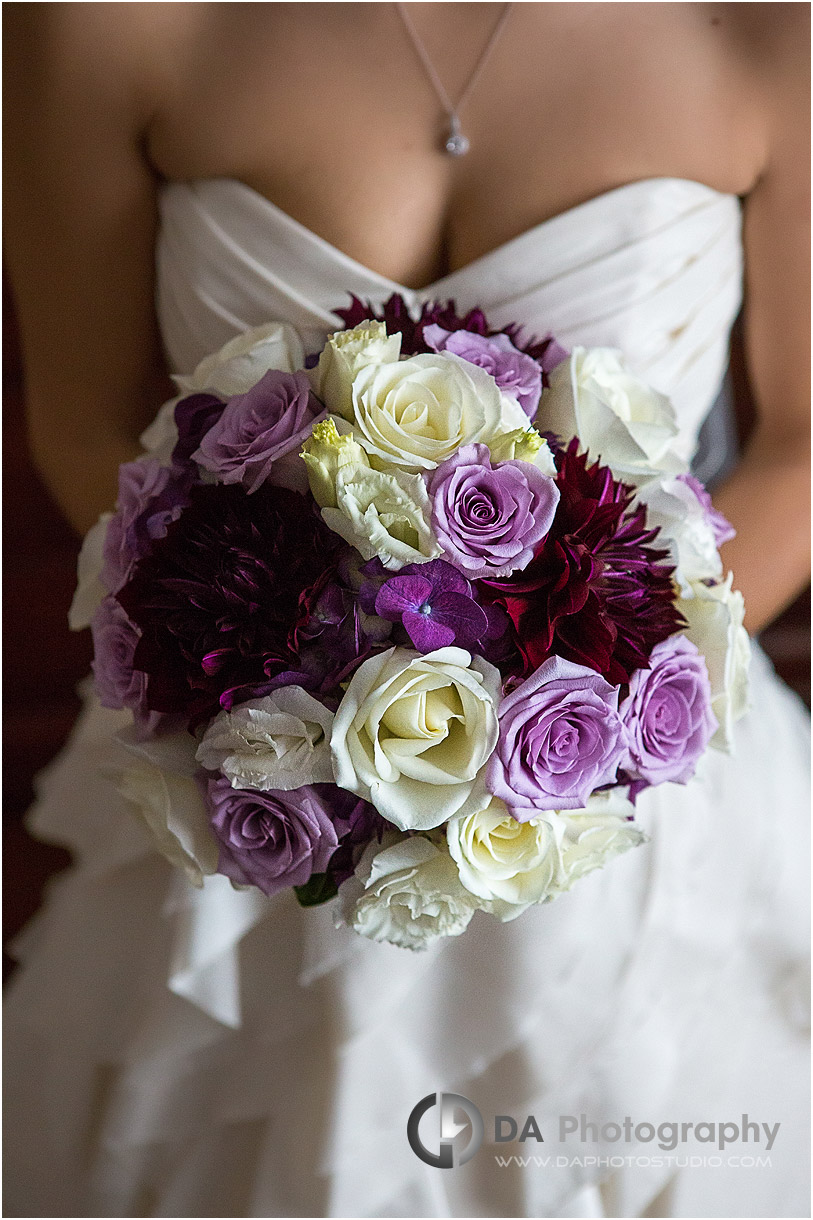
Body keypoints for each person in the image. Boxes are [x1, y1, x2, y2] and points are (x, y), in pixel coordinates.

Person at [4, 4, 809, 1216]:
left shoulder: (771, 30)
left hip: (634, 796)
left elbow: (802, 442)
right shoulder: (97, 24)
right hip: (248, 765)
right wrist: (289, 703)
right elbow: (84, 418)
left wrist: (604, 702)